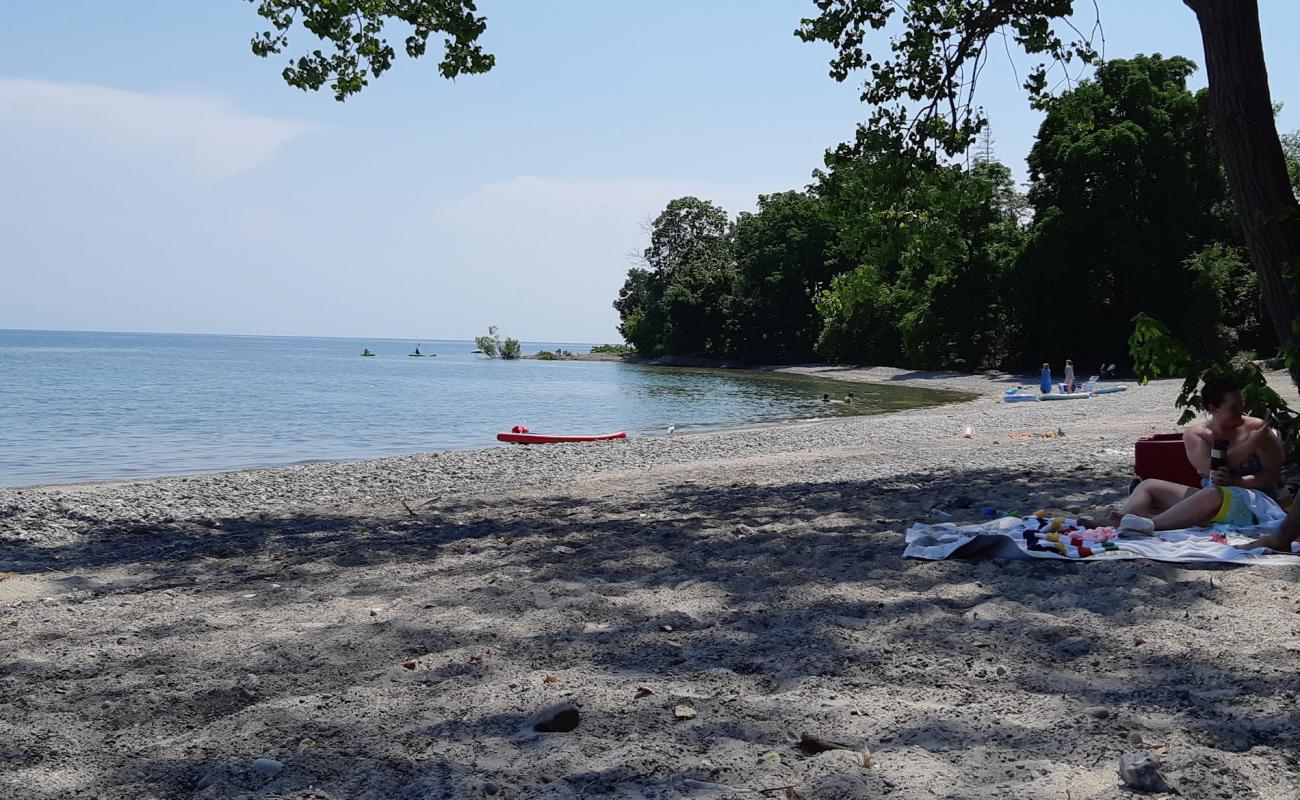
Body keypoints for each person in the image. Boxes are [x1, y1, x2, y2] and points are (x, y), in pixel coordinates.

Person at [1117, 377, 1284, 532]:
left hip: (1254, 502)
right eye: (1234, 407)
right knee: (1148, 485)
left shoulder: (1256, 428)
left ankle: (1151, 525)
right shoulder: (1197, 434)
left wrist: (1237, 481)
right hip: (1209, 498)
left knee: (1214, 493)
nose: (1241, 410)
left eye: (1241, 404)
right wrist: (1250, 445)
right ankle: (1116, 525)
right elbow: (1209, 467)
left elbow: (1272, 475)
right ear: (1213, 409)